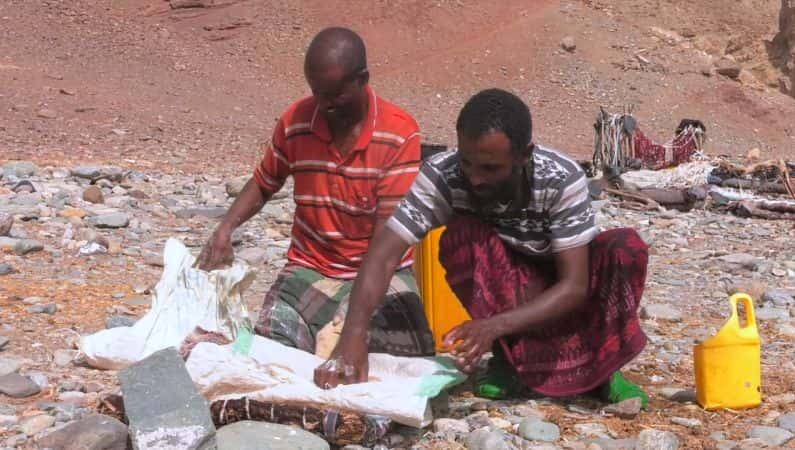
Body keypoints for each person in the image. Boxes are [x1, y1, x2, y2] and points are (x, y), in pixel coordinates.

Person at [315, 88, 650, 407]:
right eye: (467, 163)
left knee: (625, 247)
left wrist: (494, 326)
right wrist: (352, 338)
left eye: (491, 168)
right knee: (461, 238)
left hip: (566, 292)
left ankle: (605, 368)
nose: (474, 178)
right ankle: (511, 360)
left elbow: (574, 286)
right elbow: (384, 253)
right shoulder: (443, 177)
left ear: (524, 156)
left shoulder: (560, 178)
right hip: (515, 285)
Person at [196, 27, 435, 359]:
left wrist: (354, 327)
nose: (324, 105)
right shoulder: (297, 121)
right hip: (311, 268)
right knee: (272, 345)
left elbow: (386, 245)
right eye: (317, 93)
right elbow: (266, 181)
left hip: (381, 270)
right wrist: (225, 229)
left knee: (411, 351)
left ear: (362, 79)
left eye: (335, 95)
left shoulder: (398, 133)